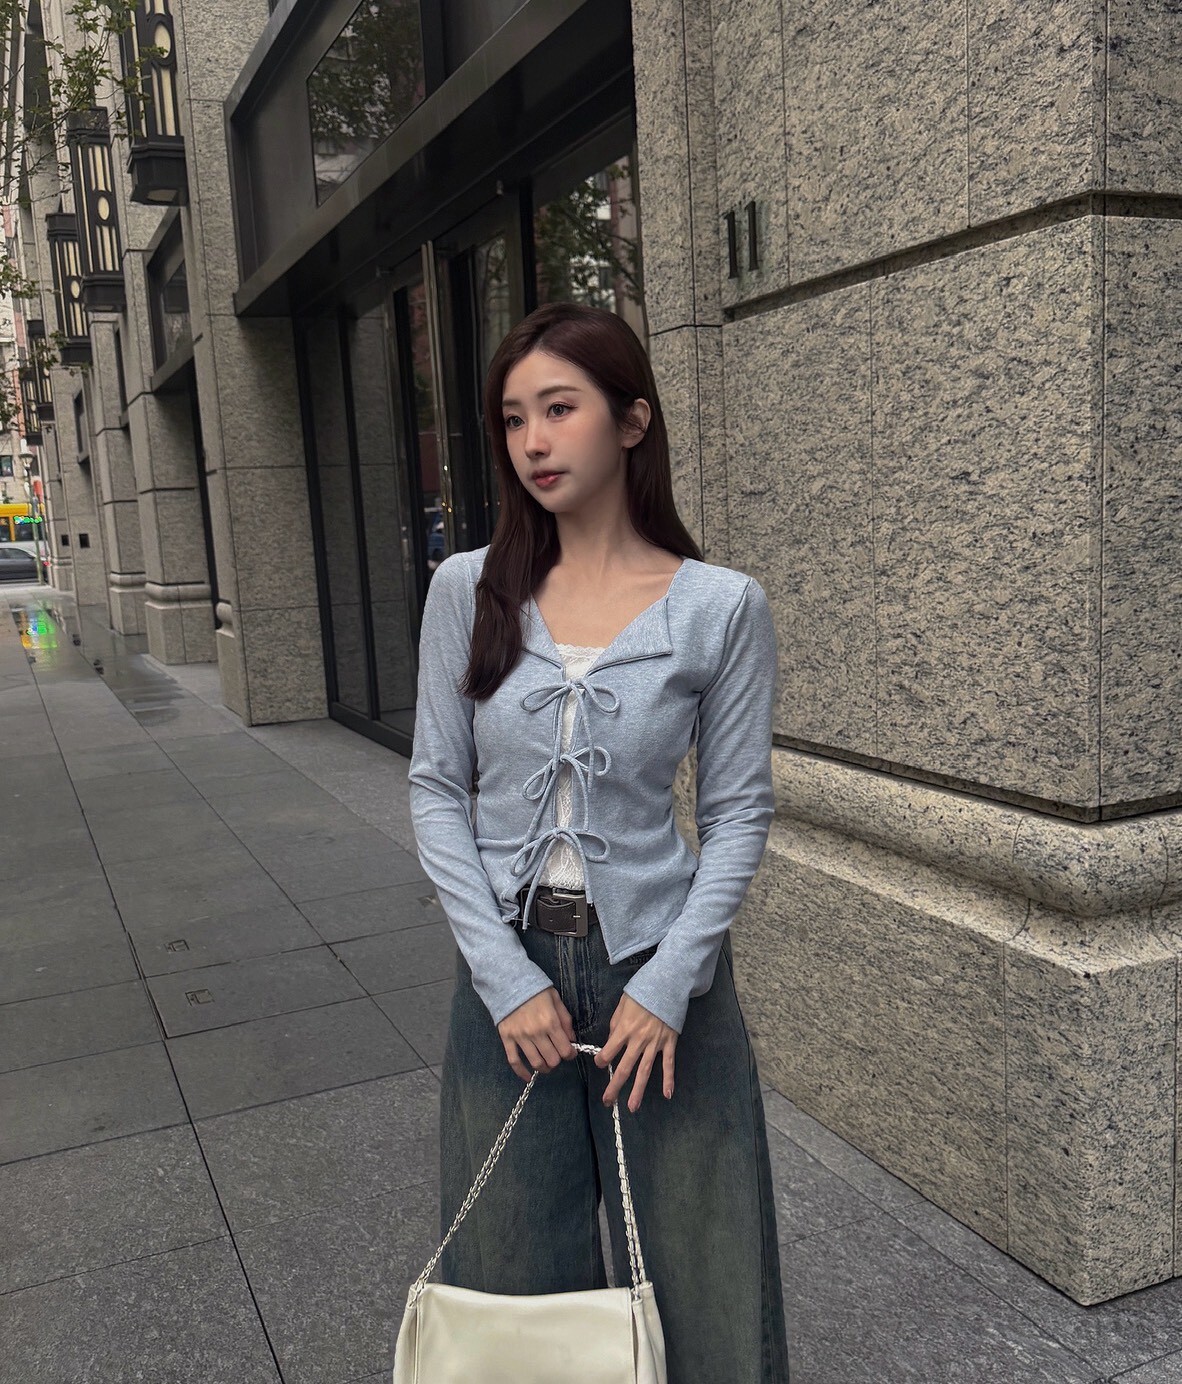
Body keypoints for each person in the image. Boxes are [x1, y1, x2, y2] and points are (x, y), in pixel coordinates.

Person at [408, 301, 790, 1383]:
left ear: (631, 420)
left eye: (559, 409)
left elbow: (737, 813)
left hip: (658, 975)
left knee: (709, 1274)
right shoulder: (467, 589)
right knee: (509, 1277)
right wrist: (503, 978)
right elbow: (435, 789)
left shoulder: (721, 607)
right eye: (513, 418)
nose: (532, 441)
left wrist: (670, 985)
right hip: (509, 976)